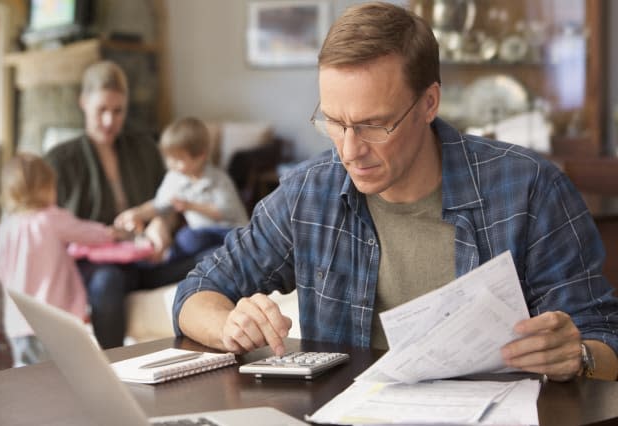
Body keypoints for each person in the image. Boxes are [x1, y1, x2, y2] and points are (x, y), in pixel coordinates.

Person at [173, 2, 618, 381]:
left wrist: (576, 357)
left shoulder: (530, 189)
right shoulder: (310, 191)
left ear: (429, 103)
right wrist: (229, 324)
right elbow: (197, 291)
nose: (350, 151)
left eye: (373, 125)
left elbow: (604, 339)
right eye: (334, 122)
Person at [44, 60, 199, 349]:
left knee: (214, 253)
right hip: (96, 266)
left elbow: (169, 203)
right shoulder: (60, 161)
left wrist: (160, 225)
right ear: (83, 102)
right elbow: (50, 228)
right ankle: (114, 369)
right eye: (101, 110)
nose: (109, 121)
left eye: (118, 111)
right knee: (108, 282)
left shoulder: (144, 149)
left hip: (147, 258)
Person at [0, 153, 123, 366]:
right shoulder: (51, 218)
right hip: (54, 319)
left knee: (27, 376)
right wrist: (111, 233)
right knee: (61, 373)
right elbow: (85, 232)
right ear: (46, 188)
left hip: (18, 321)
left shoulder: (7, 226)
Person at [114, 117, 248, 261]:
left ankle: (174, 259)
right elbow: (159, 205)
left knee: (188, 238)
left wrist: (190, 206)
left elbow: (224, 211)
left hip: (229, 231)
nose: (171, 165)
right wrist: (137, 213)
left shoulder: (218, 179)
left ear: (200, 156)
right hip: (202, 235)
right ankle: (164, 260)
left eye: (178, 160)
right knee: (187, 240)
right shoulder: (174, 178)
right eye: (168, 159)